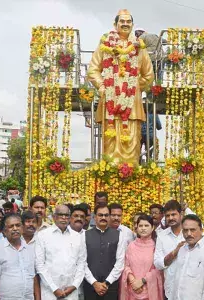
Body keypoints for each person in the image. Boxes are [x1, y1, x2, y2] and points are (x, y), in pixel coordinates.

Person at [87, 9, 154, 165]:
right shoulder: (105, 45)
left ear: (132, 25)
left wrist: (135, 87)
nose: (125, 24)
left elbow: (149, 75)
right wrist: (102, 86)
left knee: (131, 142)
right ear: (115, 24)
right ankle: (109, 175)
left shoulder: (139, 48)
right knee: (110, 144)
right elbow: (93, 70)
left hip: (132, 103)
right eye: (122, 22)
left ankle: (130, 174)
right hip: (109, 99)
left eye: (128, 22)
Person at [36, 205, 86, 300]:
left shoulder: (77, 237)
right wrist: (54, 288)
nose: (64, 218)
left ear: (70, 217)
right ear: (54, 217)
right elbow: (40, 265)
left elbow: (81, 263)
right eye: (60, 215)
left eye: (66, 215)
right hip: (50, 292)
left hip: (71, 292)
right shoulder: (43, 235)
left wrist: (74, 286)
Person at [0, 213, 38, 300]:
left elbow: (33, 277)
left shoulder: (29, 249)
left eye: (18, 225)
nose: (15, 229)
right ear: (4, 231)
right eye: (11, 226)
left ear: (22, 228)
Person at [84, 203, 126, 300]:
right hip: (90, 286)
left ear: (109, 217)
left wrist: (107, 282)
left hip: (110, 286)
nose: (103, 217)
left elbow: (120, 262)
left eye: (106, 215)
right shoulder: (85, 235)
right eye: (100, 215)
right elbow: (82, 262)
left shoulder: (119, 235)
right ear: (94, 217)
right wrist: (94, 283)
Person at [172, 214, 204, 300]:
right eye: (185, 230)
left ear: (201, 230)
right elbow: (177, 279)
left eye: (192, 230)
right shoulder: (182, 249)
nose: (189, 234)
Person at [119, 214, 163, 300]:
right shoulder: (131, 246)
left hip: (150, 291)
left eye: (146, 225)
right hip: (132, 290)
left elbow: (158, 270)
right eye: (140, 226)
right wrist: (133, 282)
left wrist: (142, 281)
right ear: (137, 228)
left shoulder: (156, 246)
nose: (143, 228)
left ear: (152, 227)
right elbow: (126, 265)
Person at [154, 200, 185, 300]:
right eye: (167, 215)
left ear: (181, 214)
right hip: (170, 290)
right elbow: (157, 264)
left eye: (173, 214)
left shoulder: (190, 232)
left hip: (190, 289)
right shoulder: (162, 236)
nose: (170, 218)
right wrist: (173, 253)